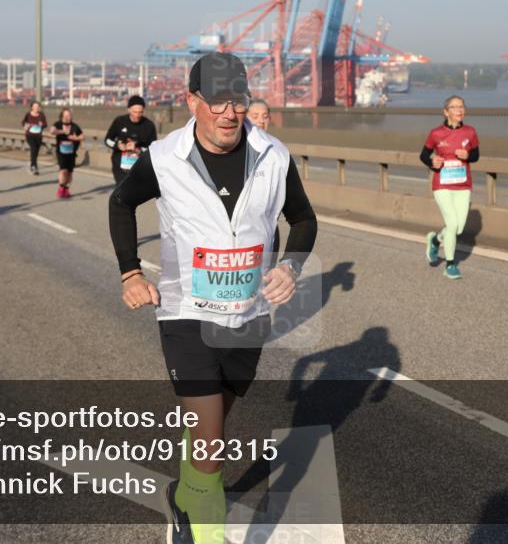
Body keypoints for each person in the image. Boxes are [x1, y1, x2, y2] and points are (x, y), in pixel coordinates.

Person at [109, 52, 317, 544]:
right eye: (218, 101)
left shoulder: (273, 154)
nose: (230, 113)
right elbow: (121, 202)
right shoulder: (163, 158)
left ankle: (185, 498)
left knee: (213, 424)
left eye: (239, 101)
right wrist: (130, 273)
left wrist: (290, 265)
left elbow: (303, 218)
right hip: (185, 315)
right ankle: (205, 532)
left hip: (248, 315)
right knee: (210, 445)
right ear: (193, 102)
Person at [420, 95, 480, 279]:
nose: (459, 110)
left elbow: (476, 156)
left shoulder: (470, 132)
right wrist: (433, 162)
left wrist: (467, 156)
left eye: (462, 107)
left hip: (463, 185)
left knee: (458, 229)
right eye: (455, 107)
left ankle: (435, 240)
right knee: (452, 224)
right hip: (442, 185)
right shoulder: (436, 133)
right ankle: (451, 265)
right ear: (446, 112)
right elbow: (423, 155)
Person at [104, 95, 157, 184]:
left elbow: (154, 148)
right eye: (134, 112)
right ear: (128, 109)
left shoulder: (149, 125)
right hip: (120, 166)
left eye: (140, 112)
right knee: (122, 191)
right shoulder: (119, 121)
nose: (137, 115)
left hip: (140, 166)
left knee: (136, 195)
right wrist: (118, 146)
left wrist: (138, 149)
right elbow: (107, 140)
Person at [50, 107, 84, 198]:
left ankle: (66, 188)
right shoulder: (58, 124)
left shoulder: (74, 126)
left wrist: (75, 138)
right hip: (61, 152)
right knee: (63, 170)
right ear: (62, 116)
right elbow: (52, 130)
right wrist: (61, 131)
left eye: (69, 115)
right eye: (65, 115)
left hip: (72, 152)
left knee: (69, 172)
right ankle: (61, 187)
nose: (67, 117)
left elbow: (82, 136)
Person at [22, 101, 48, 175]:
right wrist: (26, 125)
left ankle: (32, 164)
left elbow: (45, 124)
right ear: (32, 107)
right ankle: (34, 166)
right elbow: (23, 122)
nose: (36, 108)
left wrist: (42, 124)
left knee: (36, 152)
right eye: (35, 106)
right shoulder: (28, 115)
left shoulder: (41, 115)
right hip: (30, 135)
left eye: (38, 107)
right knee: (33, 148)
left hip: (38, 136)